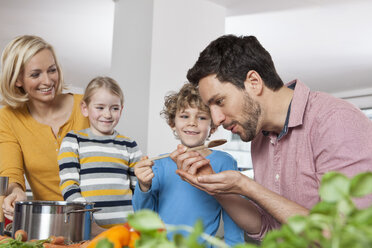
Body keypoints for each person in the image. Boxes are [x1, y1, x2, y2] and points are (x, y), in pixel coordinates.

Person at [171, 34, 372, 241]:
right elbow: (269, 229)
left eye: (220, 101)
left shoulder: (336, 121)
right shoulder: (260, 138)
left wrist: (247, 186)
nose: (216, 119)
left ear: (254, 82)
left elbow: (347, 236)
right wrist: (216, 188)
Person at [132, 83, 244, 246]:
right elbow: (144, 217)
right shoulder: (159, 165)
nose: (192, 122)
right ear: (173, 123)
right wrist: (143, 186)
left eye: (202, 117)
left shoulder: (224, 162)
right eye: (185, 116)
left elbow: (234, 215)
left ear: (212, 127)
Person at [0, 35, 89, 220]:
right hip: (50, 225)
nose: (48, 81)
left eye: (52, 70)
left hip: (99, 221)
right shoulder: (8, 117)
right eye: (35, 74)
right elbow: (10, 172)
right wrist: (16, 191)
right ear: (18, 80)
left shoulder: (87, 107)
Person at [58, 76, 142, 229]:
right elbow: (69, 186)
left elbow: (139, 190)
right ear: (85, 108)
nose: (108, 114)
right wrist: (87, 220)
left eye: (114, 108)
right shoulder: (73, 140)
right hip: (89, 229)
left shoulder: (129, 145)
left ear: (121, 109)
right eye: (100, 107)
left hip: (127, 229)